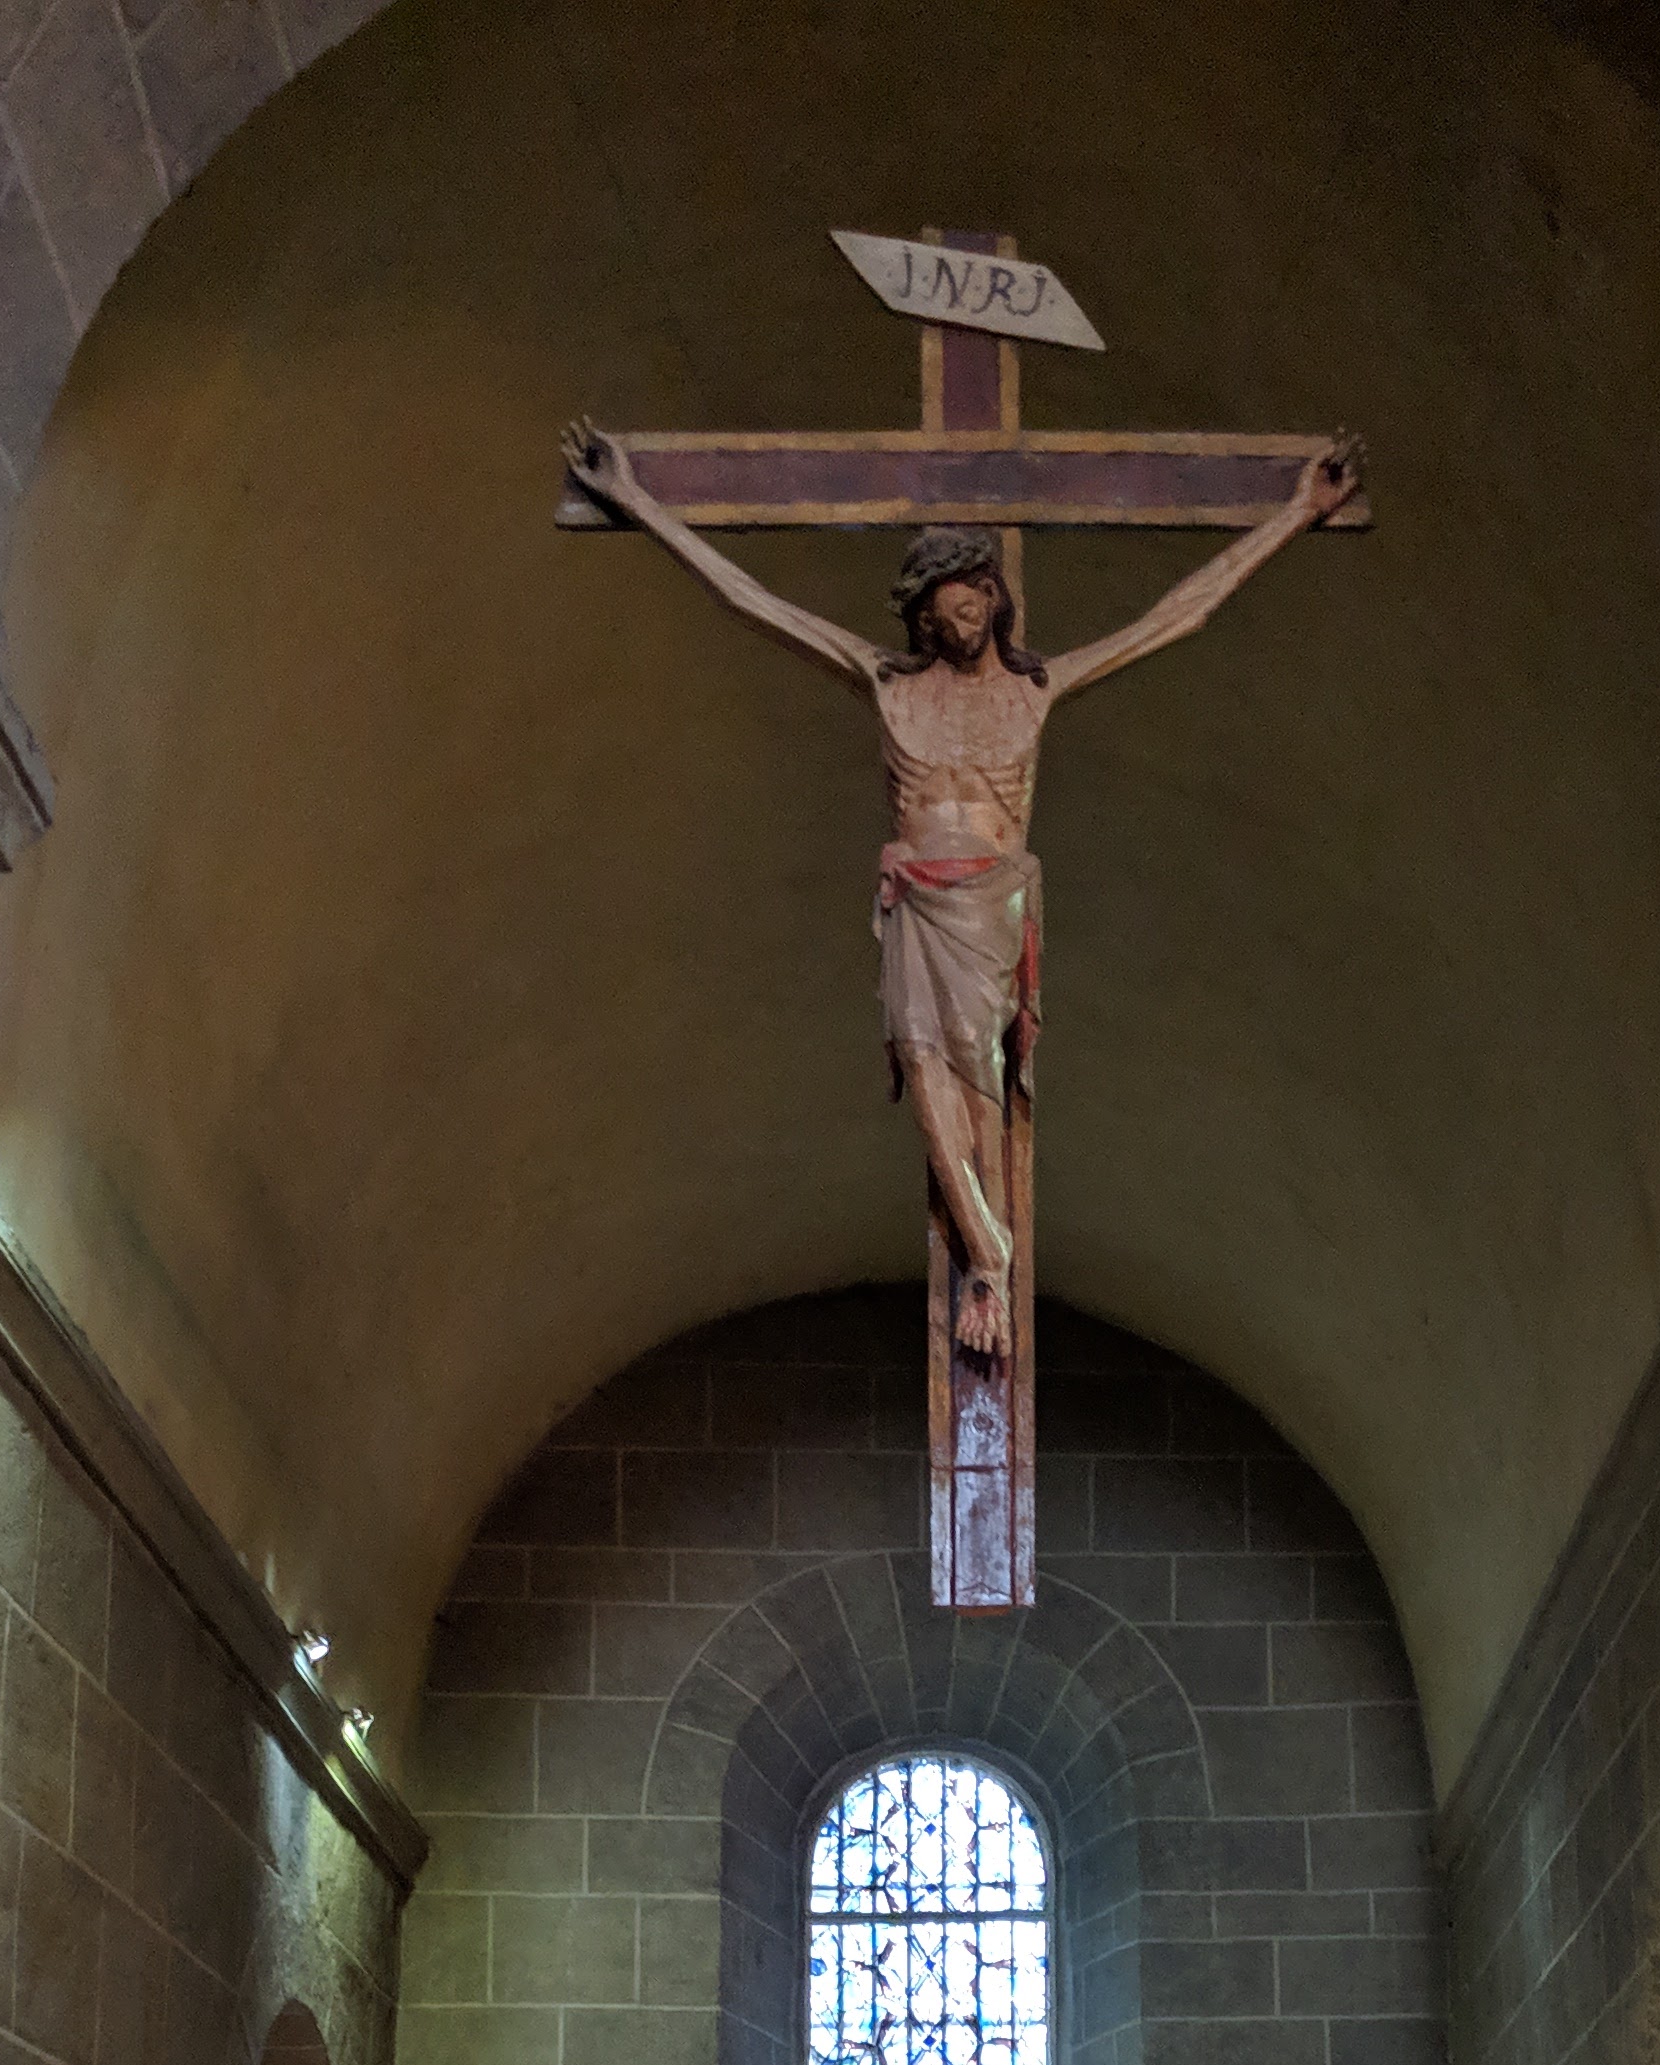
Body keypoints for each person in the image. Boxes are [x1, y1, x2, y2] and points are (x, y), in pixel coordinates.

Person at [562, 423, 1361, 1361]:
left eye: (974, 599)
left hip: (990, 905)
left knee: (980, 1081)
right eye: (943, 609)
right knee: (922, 1059)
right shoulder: (888, 685)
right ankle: (989, 1252)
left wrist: (1294, 514)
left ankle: (989, 1258)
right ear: (922, 619)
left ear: (994, 600)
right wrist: (641, 502)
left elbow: (1175, 616)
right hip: (916, 898)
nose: (962, 618)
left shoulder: (1035, 689)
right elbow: (754, 602)